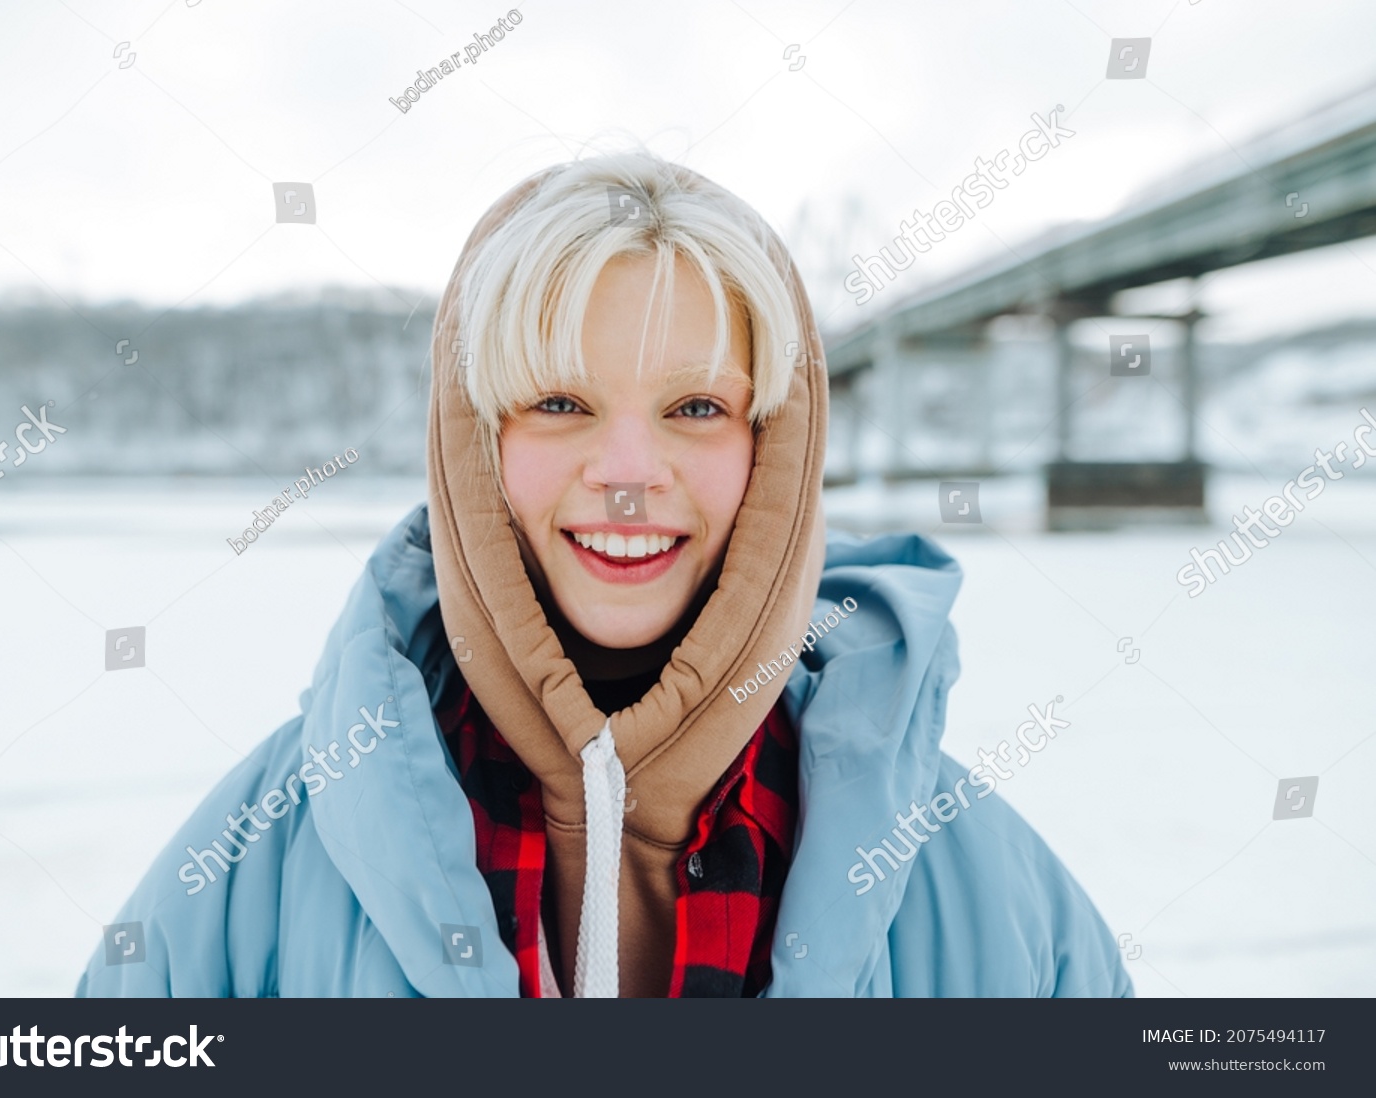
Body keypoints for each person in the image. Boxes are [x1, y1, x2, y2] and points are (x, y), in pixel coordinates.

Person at [77, 151, 1131, 998]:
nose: (628, 476)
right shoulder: (249, 866)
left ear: (775, 453)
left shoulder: (994, 899)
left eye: (697, 409)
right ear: (474, 442)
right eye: (561, 404)